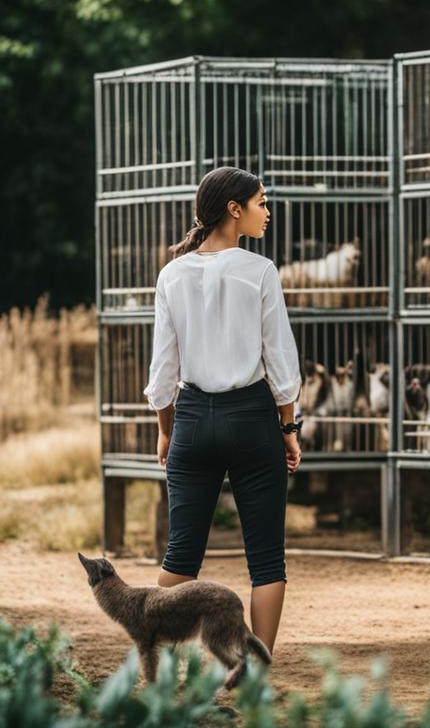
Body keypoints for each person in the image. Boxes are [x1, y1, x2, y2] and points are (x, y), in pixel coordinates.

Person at [143, 166, 302, 655]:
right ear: (235, 210)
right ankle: (256, 671)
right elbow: (280, 362)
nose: (267, 211)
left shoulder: (171, 275)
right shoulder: (260, 271)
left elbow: (163, 372)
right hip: (252, 419)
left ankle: (161, 664)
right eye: (261, 202)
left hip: (191, 418)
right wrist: (288, 427)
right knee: (267, 560)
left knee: (181, 554)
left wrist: (167, 431)